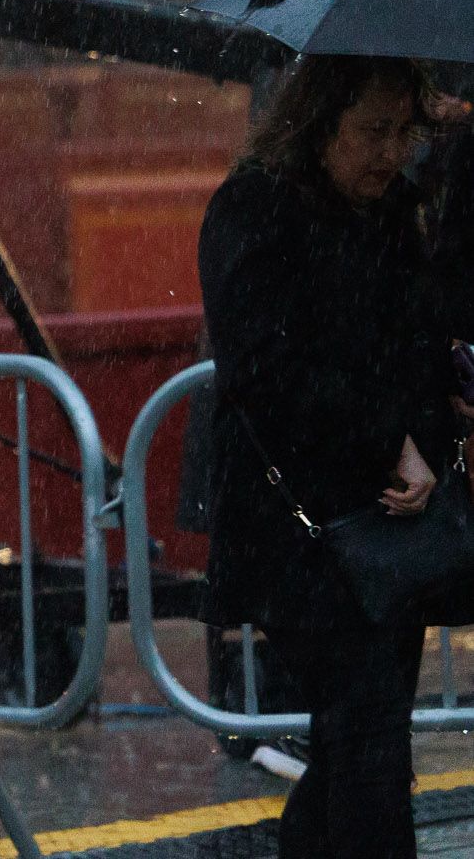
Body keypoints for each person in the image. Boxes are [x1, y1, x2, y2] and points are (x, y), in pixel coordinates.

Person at [198, 54, 463, 857]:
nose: (390, 152)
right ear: (321, 126)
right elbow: (265, 373)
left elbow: (419, 349)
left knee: (361, 737)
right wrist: (394, 441)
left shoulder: (391, 215)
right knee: (368, 732)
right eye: (371, 131)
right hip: (295, 527)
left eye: (402, 131)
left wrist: (431, 432)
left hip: (382, 528)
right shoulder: (254, 210)